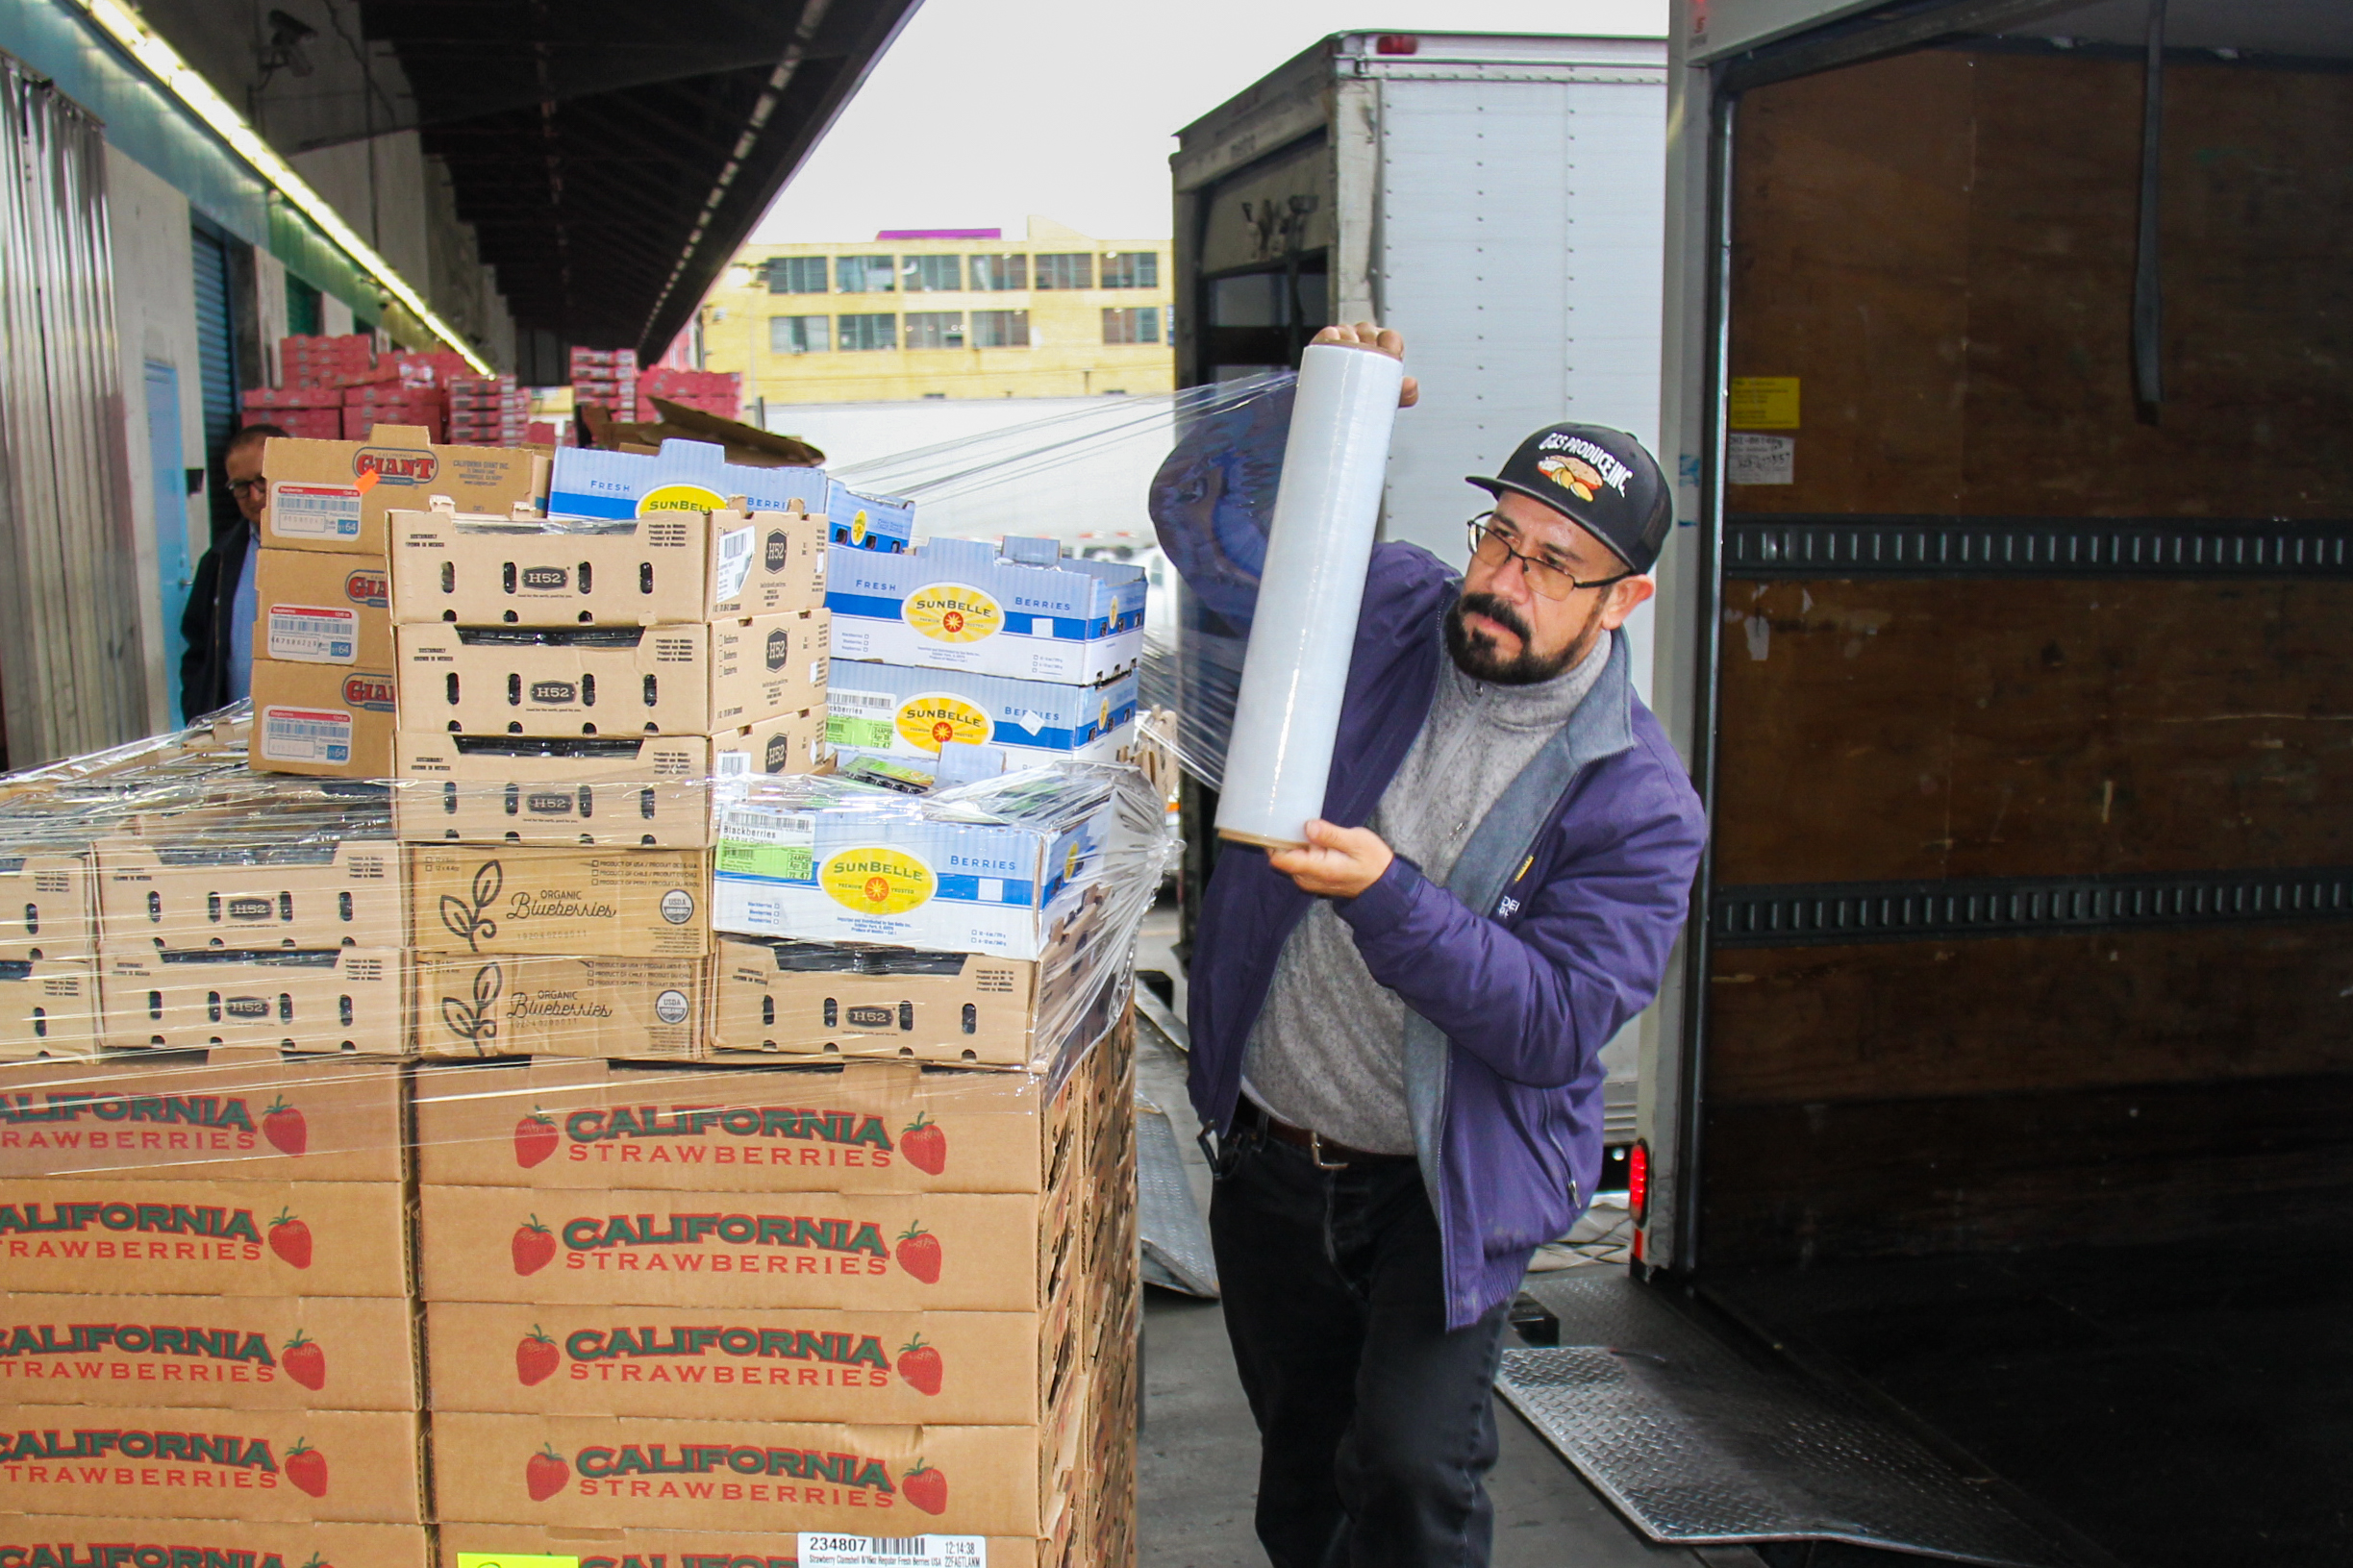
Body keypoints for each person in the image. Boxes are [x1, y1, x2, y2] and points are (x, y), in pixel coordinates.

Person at [1174, 324, 1707, 1568]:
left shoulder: (1635, 797)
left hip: (1441, 1182)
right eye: (1500, 539)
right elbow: (1206, 530)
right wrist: (1307, 415)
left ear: (1621, 597)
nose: (1503, 580)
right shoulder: (1389, 608)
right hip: (1271, 1154)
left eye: (1552, 564)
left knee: (1411, 1473)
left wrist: (1383, 893)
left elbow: (1552, 1021)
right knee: (1300, 1475)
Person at [180, 422, 288, 717]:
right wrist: (199, 712)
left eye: (263, 481)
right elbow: (198, 651)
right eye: (241, 487)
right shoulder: (219, 560)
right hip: (238, 741)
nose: (254, 497)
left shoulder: (336, 555)